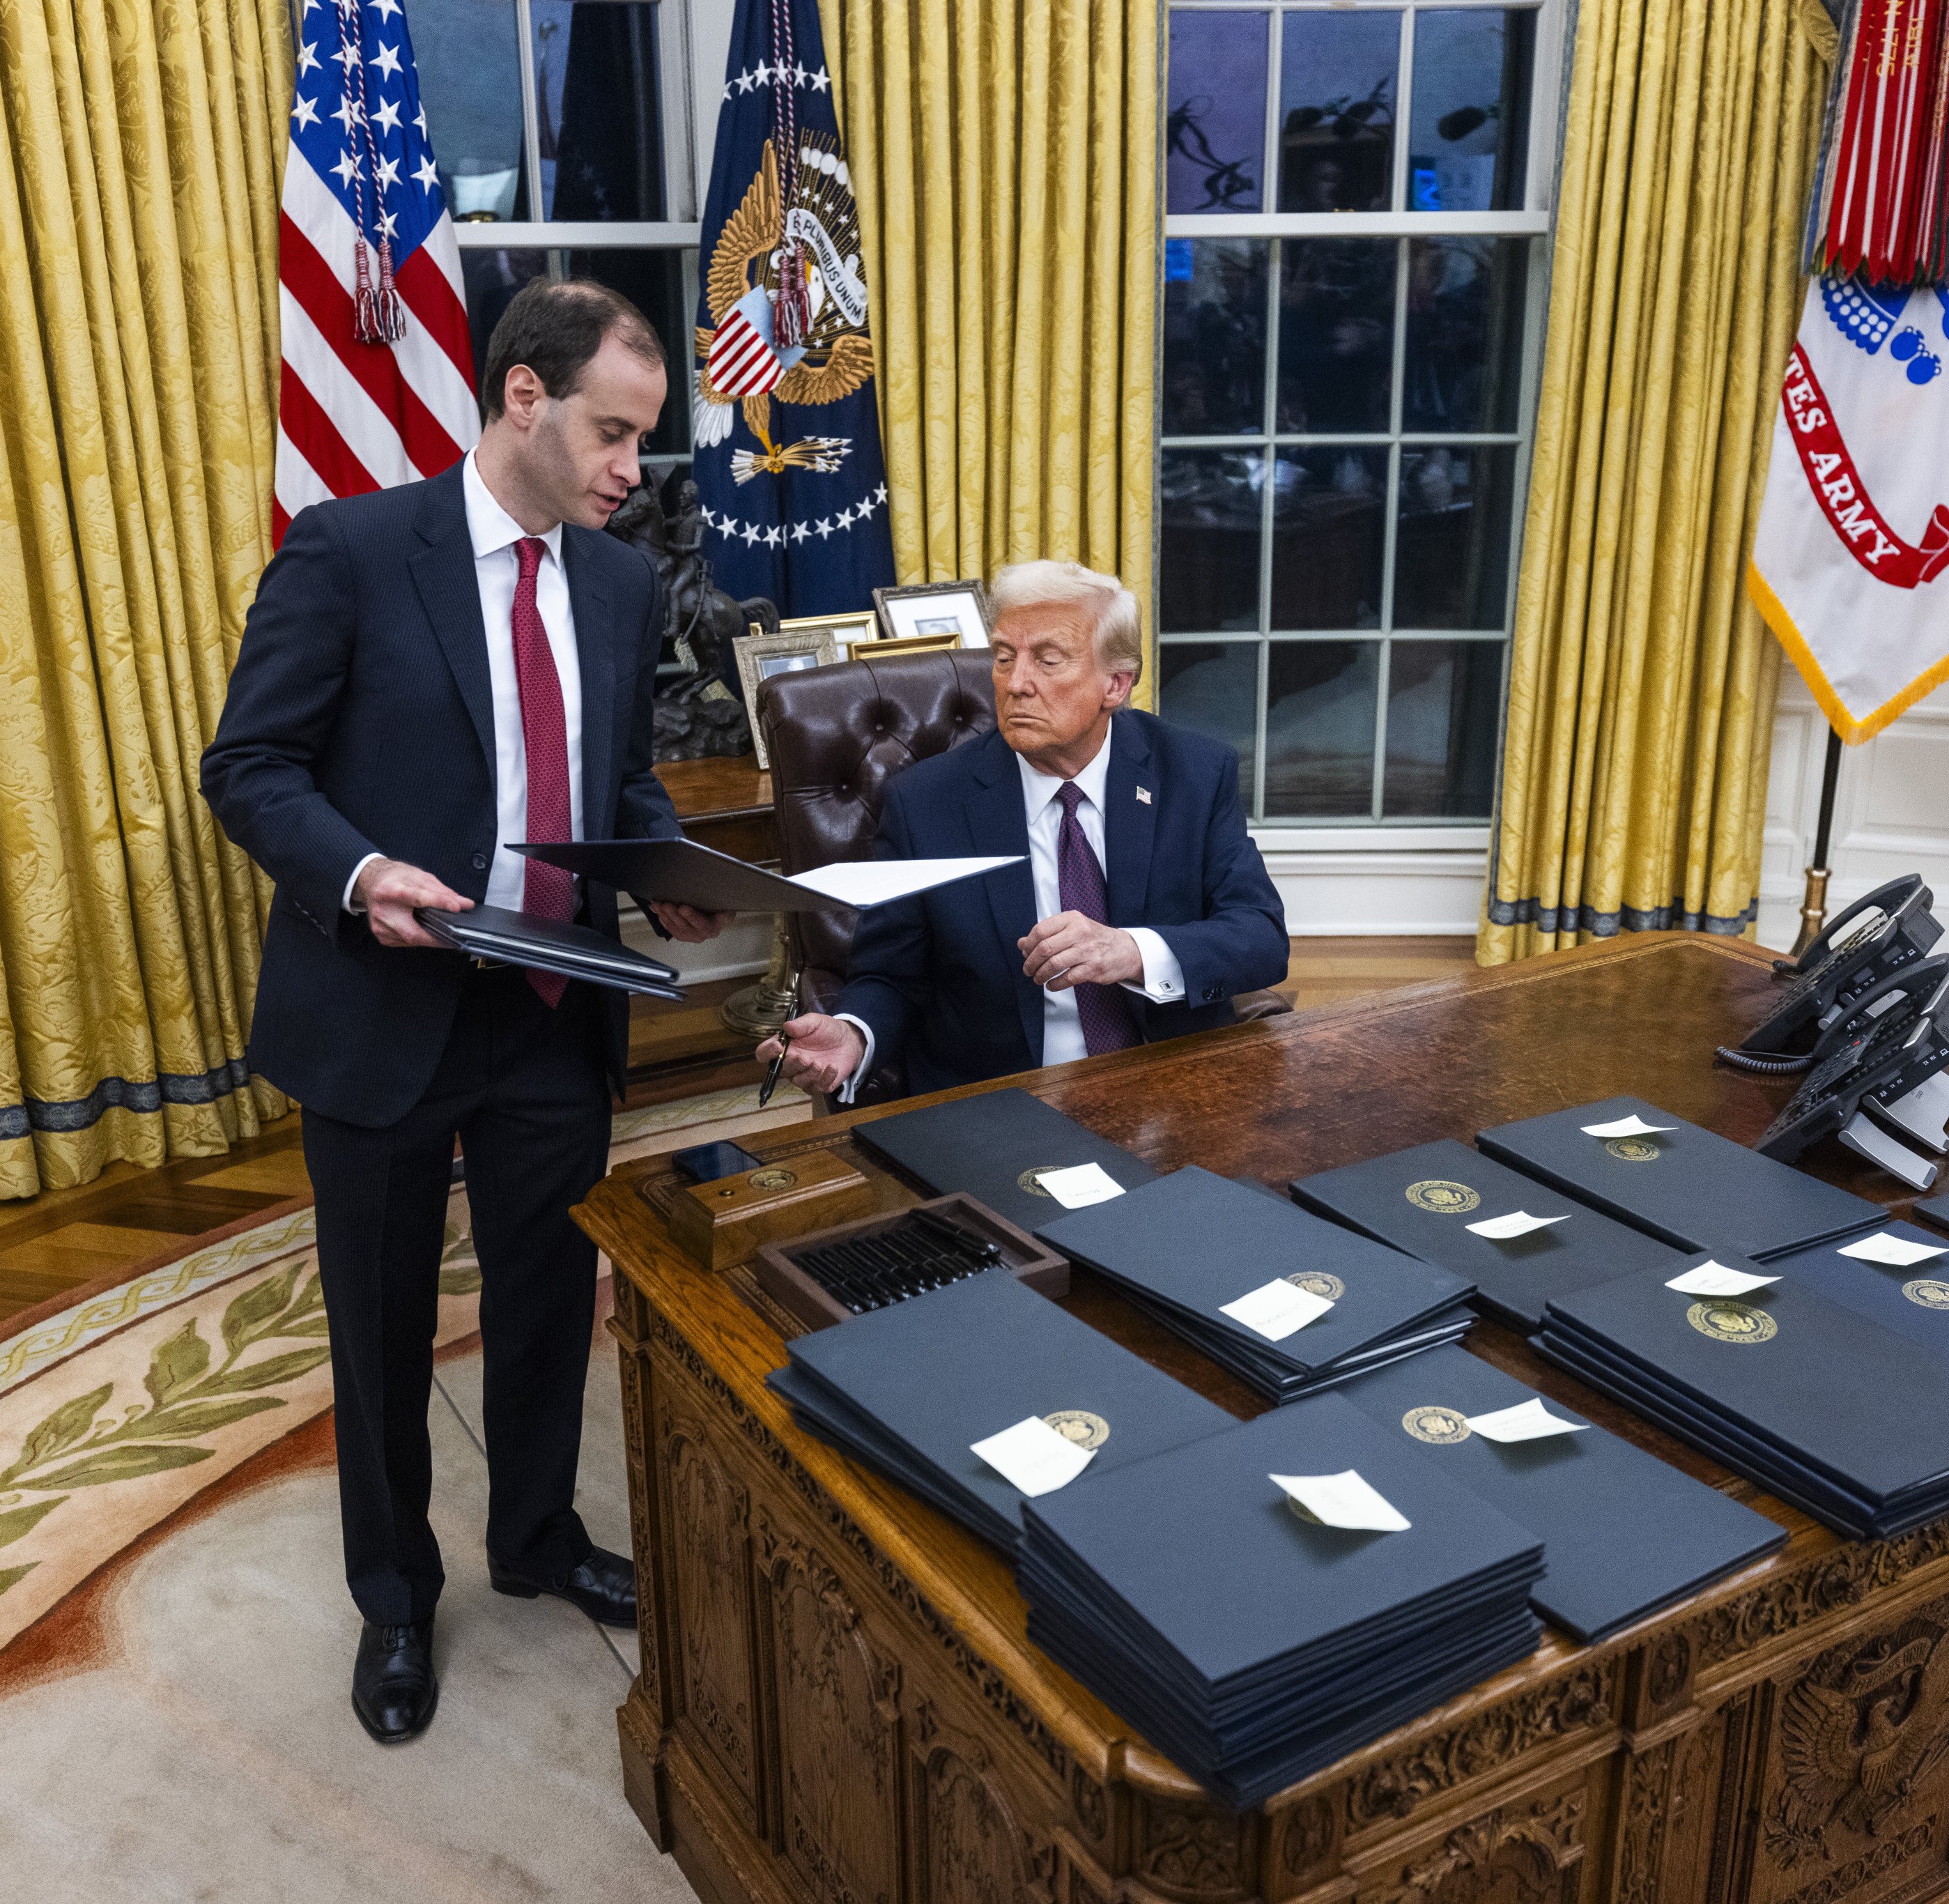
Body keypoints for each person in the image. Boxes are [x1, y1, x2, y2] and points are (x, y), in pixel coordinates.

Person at [199, 279, 727, 1746]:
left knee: (552, 1294)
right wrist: (359, 871)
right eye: (614, 435)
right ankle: (393, 1592)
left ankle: (538, 1536)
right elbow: (248, 767)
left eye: (641, 439)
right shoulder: (355, 552)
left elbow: (611, 781)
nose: (635, 469)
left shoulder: (616, 583)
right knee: (377, 1324)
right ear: (520, 398)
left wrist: (665, 871)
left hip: (554, 1003)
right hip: (379, 1002)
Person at [757, 560, 1286, 1100]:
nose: (1016, 684)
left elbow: (1261, 937)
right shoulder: (928, 803)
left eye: (1048, 660)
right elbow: (891, 976)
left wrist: (1132, 951)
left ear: (1116, 684)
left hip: (1172, 1084)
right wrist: (854, 1034)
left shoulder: (1193, 773)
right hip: (1007, 1098)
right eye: (1004, 658)